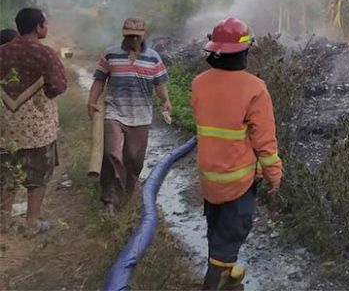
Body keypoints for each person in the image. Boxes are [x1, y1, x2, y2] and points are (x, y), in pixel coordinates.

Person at [191, 17, 282, 290]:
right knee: (228, 242)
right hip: (239, 183)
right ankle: (216, 281)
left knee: (217, 234)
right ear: (245, 51)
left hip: (210, 180)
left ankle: (228, 278)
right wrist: (273, 173)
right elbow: (264, 142)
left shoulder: (199, 83)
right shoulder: (254, 88)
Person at [87, 17, 171, 214]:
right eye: (129, 36)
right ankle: (109, 199)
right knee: (112, 153)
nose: (132, 39)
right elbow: (99, 80)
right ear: (123, 35)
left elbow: (160, 84)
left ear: (143, 36)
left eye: (136, 36)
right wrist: (91, 101)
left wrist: (165, 101)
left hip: (141, 115)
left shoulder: (153, 57)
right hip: (114, 111)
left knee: (134, 159)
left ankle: (127, 192)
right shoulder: (111, 54)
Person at [0, 8, 67, 235]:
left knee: (6, 177)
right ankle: (32, 224)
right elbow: (58, 86)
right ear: (38, 26)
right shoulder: (45, 54)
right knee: (37, 178)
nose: (46, 28)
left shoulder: (2, 52)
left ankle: (3, 222)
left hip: (5, 130)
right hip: (38, 129)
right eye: (45, 24)